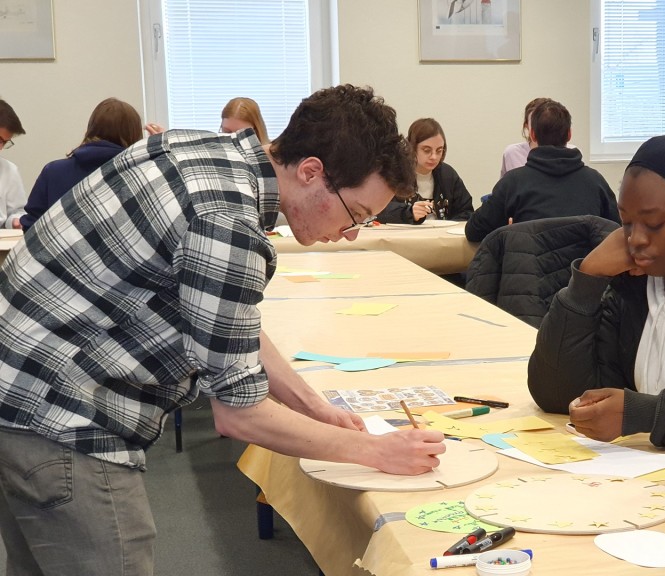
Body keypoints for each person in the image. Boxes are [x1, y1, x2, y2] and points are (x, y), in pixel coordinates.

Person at [0, 84, 445, 576]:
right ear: (311, 171)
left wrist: (317, 409)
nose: (351, 233)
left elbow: (232, 329)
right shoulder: (227, 222)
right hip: (60, 424)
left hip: (18, 396)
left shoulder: (202, 150)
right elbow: (240, 416)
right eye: (355, 214)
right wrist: (375, 450)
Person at [527, 135, 665, 449]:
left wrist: (643, 415)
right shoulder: (634, 286)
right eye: (626, 222)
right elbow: (557, 393)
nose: (636, 239)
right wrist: (587, 281)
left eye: (654, 222)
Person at [465, 99, 618, 242]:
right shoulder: (595, 181)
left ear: (532, 134)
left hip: (526, 269)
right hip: (580, 269)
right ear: (569, 134)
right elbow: (617, 232)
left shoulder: (513, 183)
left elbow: (473, 230)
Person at [20, 98, 145, 231]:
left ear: (90, 129)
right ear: (134, 134)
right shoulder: (143, 174)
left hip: (59, 251)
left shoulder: (53, 171)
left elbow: (31, 226)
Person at [376, 117, 473, 223]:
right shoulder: (396, 173)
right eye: (427, 150)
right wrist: (408, 213)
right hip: (404, 237)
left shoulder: (447, 174)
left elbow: (466, 212)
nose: (434, 157)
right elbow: (378, 211)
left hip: (441, 237)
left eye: (439, 150)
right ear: (412, 147)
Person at [499, 97, 549, 177]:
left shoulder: (571, 154)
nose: (542, 127)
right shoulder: (512, 153)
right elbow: (505, 187)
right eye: (535, 122)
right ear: (527, 126)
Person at [0, 98, 27, 229]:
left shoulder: (9, 170)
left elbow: (18, 212)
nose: (0, 148)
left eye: (5, 142)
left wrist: (16, 221)